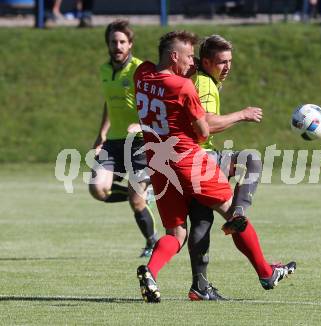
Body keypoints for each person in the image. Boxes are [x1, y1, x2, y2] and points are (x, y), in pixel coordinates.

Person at [135, 30, 296, 303]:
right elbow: (202, 133)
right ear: (174, 56)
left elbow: (155, 69)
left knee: (176, 233)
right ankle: (267, 273)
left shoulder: (142, 73)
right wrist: (241, 115)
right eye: (188, 57)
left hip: (158, 163)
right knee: (235, 215)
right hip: (188, 160)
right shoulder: (184, 87)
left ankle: (151, 272)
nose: (192, 62)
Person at [186, 34, 268, 301]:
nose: (228, 67)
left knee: (201, 221)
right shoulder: (206, 84)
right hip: (201, 156)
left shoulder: (200, 78)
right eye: (222, 62)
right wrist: (242, 115)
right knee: (251, 158)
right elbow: (208, 124)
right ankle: (239, 213)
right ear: (207, 61)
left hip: (184, 159)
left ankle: (199, 286)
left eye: (230, 61)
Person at [89, 20, 158, 258]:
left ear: (130, 44)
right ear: (107, 44)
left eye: (122, 42)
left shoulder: (141, 70)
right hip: (114, 142)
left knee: (136, 202)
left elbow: (155, 105)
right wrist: (101, 134)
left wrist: (142, 124)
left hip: (139, 142)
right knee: (97, 189)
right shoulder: (104, 70)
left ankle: (151, 241)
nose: (117, 46)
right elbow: (109, 103)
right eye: (113, 42)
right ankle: (142, 194)